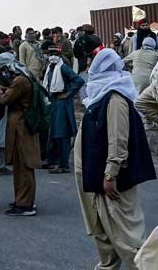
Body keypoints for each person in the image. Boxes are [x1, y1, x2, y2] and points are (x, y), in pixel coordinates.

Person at [76, 48, 156, 270]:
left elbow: (118, 140)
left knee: (127, 239)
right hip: (94, 175)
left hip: (110, 178)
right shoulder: (99, 95)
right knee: (103, 232)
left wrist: (111, 173)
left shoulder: (115, 98)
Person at [0, 53, 42, 216]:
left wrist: (0, 91)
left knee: (24, 165)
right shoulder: (24, 77)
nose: (4, 73)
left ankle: (25, 204)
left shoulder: (20, 80)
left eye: (4, 69)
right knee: (21, 166)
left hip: (22, 128)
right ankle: (23, 199)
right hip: (23, 126)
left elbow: (5, 100)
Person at [44, 46, 84, 174]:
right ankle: (52, 161)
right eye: (50, 53)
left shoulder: (63, 67)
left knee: (62, 134)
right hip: (53, 102)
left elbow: (78, 80)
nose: (52, 56)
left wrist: (68, 94)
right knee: (53, 133)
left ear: (60, 54)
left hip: (62, 103)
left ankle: (63, 164)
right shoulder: (50, 68)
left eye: (55, 53)